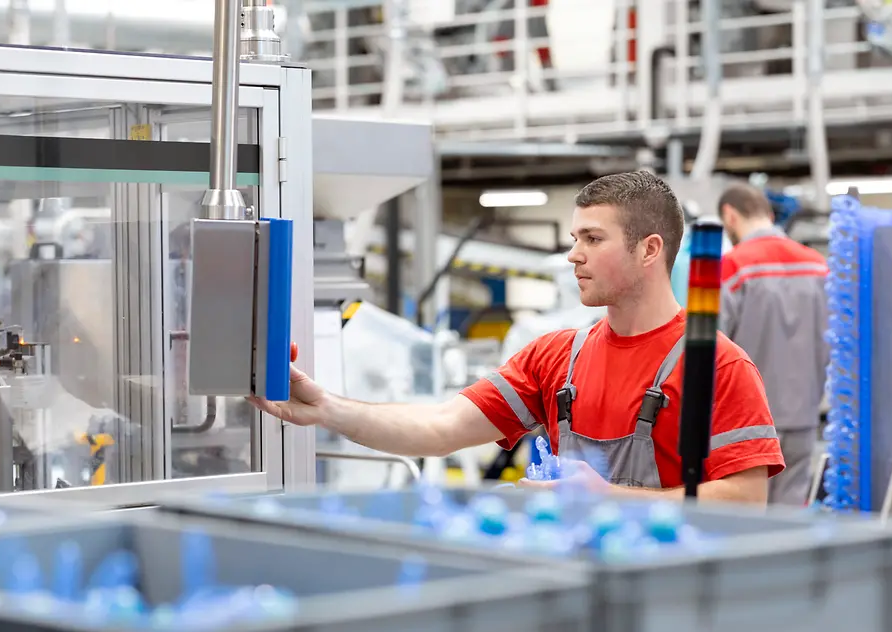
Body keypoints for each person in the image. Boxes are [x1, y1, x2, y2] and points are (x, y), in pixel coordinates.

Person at [251, 171, 785, 504]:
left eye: (592, 239)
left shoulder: (718, 366)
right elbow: (441, 426)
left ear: (649, 250)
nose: (573, 254)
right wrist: (326, 409)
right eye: (574, 238)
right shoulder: (557, 357)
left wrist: (609, 500)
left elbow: (744, 499)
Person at [717, 183, 829, 506]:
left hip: (746, 425)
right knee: (790, 518)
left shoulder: (731, 267)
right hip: (804, 417)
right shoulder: (819, 265)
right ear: (768, 214)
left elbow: (709, 348)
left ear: (730, 216)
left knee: (747, 521)